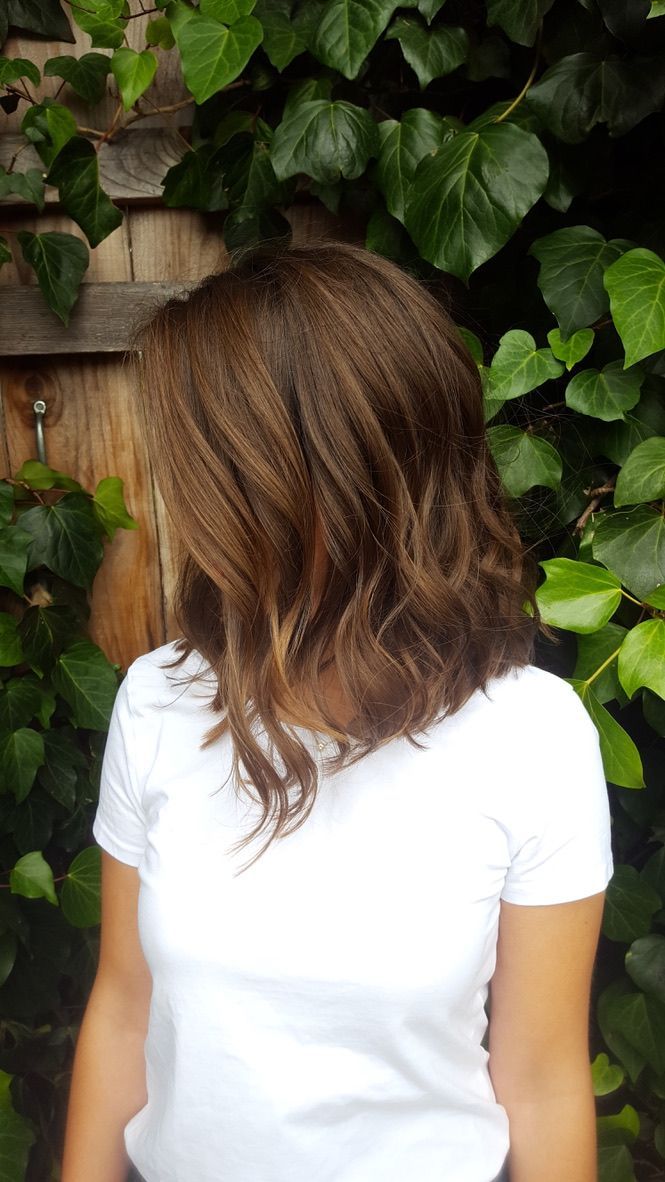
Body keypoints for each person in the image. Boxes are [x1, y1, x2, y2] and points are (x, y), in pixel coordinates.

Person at [60, 240, 614, 1182]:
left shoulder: (533, 740)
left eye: (202, 470)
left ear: (314, 484)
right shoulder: (159, 698)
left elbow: (544, 1077)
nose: (175, 502)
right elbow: (121, 1006)